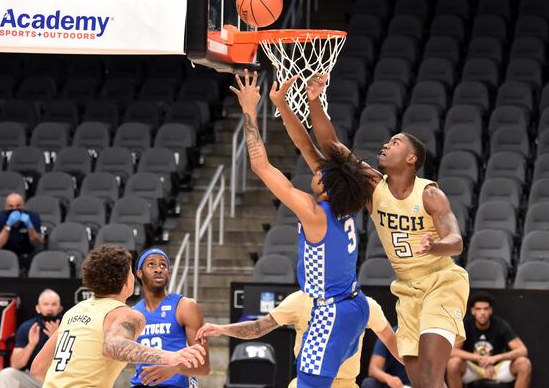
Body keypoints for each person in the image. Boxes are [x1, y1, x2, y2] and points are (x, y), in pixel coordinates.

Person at [272, 73, 468, 388]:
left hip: (441, 282)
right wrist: (313, 101)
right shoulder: (374, 187)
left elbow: (456, 242)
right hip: (407, 288)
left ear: (411, 158)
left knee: (431, 376)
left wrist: (437, 246)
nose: (386, 144)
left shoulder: (429, 193)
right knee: (420, 382)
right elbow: (329, 145)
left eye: (396, 142)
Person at [230, 70, 372, 388]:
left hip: (332, 311)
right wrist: (283, 105)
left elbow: (260, 165)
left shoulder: (314, 212)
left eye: (322, 171)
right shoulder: (345, 200)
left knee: (306, 382)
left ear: (327, 185)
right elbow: (305, 145)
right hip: (354, 305)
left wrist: (249, 109)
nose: (315, 167)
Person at [30, 245, 206, 388]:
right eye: (130, 272)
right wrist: (170, 357)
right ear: (126, 280)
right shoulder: (127, 314)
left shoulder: (74, 311)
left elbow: (38, 369)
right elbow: (113, 346)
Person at [196, 291, 400, 388]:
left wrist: (424, 373)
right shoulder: (300, 300)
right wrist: (222, 328)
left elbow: (393, 343)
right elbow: (259, 327)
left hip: (346, 383)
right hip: (306, 382)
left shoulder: (365, 304)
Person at [130, 247, 210, 387]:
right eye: (151, 264)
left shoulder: (185, 306)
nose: (158, 269)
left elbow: (204, 367)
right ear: (139, 273)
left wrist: (175, 369)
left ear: (169, 273)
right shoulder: (133, 313)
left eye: (163, 265)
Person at [447, 292, 532, 388]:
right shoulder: (466, 325)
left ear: (491, 310)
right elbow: (452, 351)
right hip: (473, 369)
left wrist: (495, 358)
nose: (482, 313)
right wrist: (479, 358)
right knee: (453, 363)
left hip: (497, 368)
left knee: (524, 364)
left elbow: (522, 350)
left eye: (486, 309)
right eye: (478, 309)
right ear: (473, 311)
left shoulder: (500, 325)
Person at [0, 289, 63, 388]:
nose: (50, 308)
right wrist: (31, 345)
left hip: (60, 380)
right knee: (7, 374)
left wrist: (56, 339)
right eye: (46, 304)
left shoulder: (68, 325)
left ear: (60, 309)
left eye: (54, 304)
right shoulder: (28, 328)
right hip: (35, 379)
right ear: (38, 308)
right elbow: (15, 364)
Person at [0, 192, 43, 268]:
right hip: (6, 254)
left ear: (23, 206)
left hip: (28, 253)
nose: (14, 209)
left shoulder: (33, 216)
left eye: (18, 205)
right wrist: (8, 225)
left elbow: (38, 244)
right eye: (11, 206)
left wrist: (29, 226)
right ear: (6, 207)